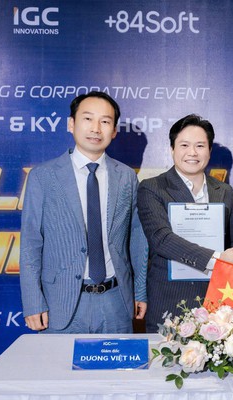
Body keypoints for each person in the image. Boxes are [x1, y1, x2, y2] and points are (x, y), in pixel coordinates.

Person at [20, 91, 147, 333]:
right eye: (88, 119)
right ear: (71, 124)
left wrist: (140, 291)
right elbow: (30, 243)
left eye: (105, 121)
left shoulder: (126, 177)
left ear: (114, 130)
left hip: (116, 300)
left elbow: (137, 240)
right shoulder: (43, 176)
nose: (96, 128)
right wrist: (33, 302)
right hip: (61, 302)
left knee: (118, 360)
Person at [137, 114, 233, 333]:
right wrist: (217, 259)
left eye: (200, 145)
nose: (192, 152)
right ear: (172, 149)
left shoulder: (224, 191)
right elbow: (161, 239)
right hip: (170, 301)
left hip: (218, 301)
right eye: (184, 145)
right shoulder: (152, 188)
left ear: (209, 150)